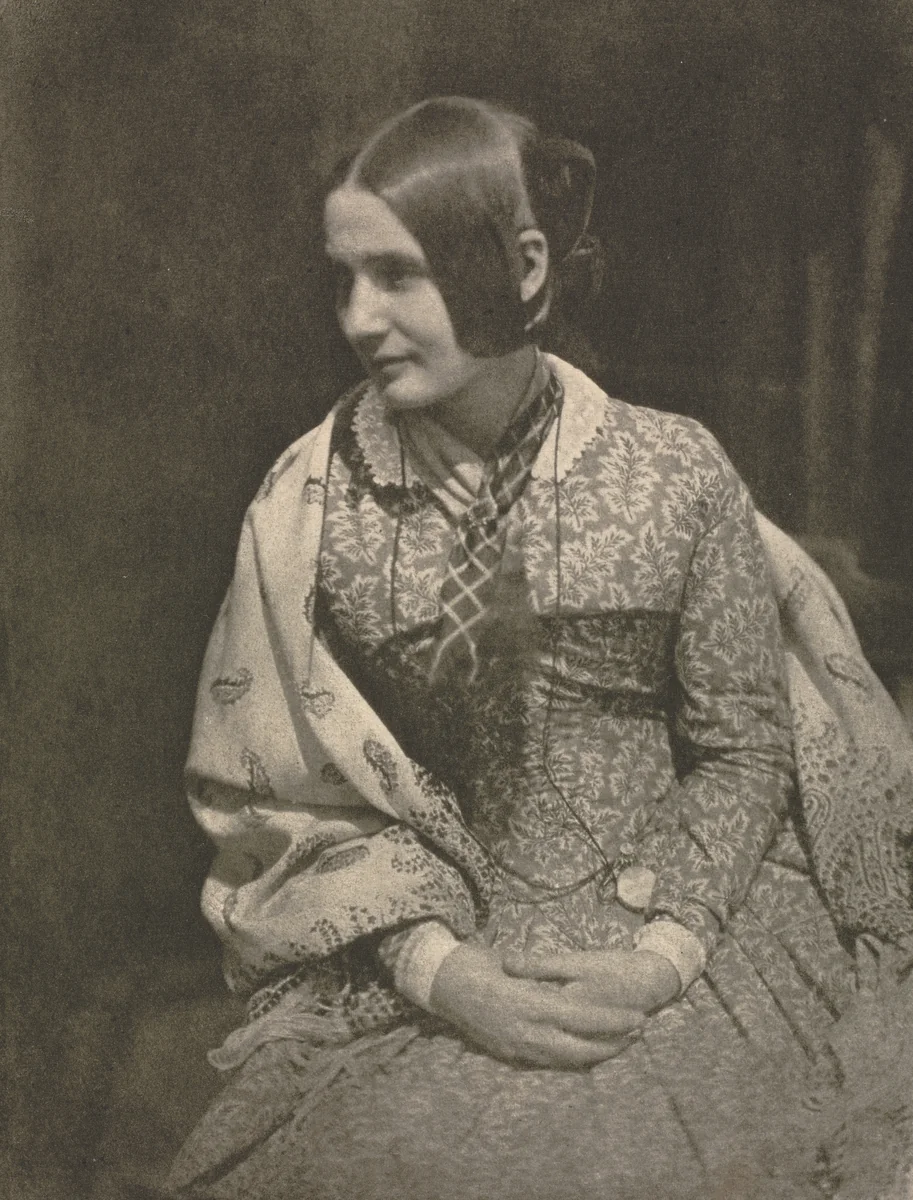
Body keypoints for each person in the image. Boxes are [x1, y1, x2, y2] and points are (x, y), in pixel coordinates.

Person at [166, 97, 913, 1200]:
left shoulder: (674, 470)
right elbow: (286, 796)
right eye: (343, 279)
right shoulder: (309, 499)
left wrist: (661, 955)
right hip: (444, 945)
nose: (361, 319)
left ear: (523, 265)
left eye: (399, 275)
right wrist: (445, 973)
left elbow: (745, 749)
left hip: (695, 930)